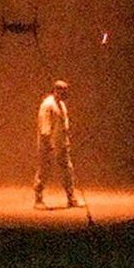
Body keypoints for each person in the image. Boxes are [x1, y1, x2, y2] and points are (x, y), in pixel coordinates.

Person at [34, 79, 81, 209]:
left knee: (67, 169)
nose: (66, 93)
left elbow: (64, 125)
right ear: (57, 90)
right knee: (44, 169)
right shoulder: (47, 105)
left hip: (61, 143)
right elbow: (45, 127)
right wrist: (48, 143)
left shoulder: (61, 104)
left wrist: (65, 141)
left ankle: (71, 197)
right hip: (48, 144)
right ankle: (38, 198)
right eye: (63, 90)